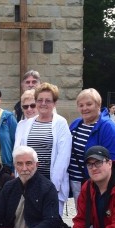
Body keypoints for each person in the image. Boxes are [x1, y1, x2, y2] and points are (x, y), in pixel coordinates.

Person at [14, 82, 71, 213]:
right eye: (40, 100)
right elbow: (19, 153)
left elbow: (63, 157)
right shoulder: (27, 124)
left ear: (54, 103)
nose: (43, 103)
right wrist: (21, 182)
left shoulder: (61, 123)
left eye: (48, 100)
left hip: (51, 185)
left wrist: (52, 187)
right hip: (28, 184)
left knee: (49, 225)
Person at [68, 88, 115, 198]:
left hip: (95, 184)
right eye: (81, 105)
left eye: (89, 104)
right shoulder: (76, 124)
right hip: (75, 181)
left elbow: (113, 159)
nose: (84, 108)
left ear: (98, 105)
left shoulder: (107, 127)